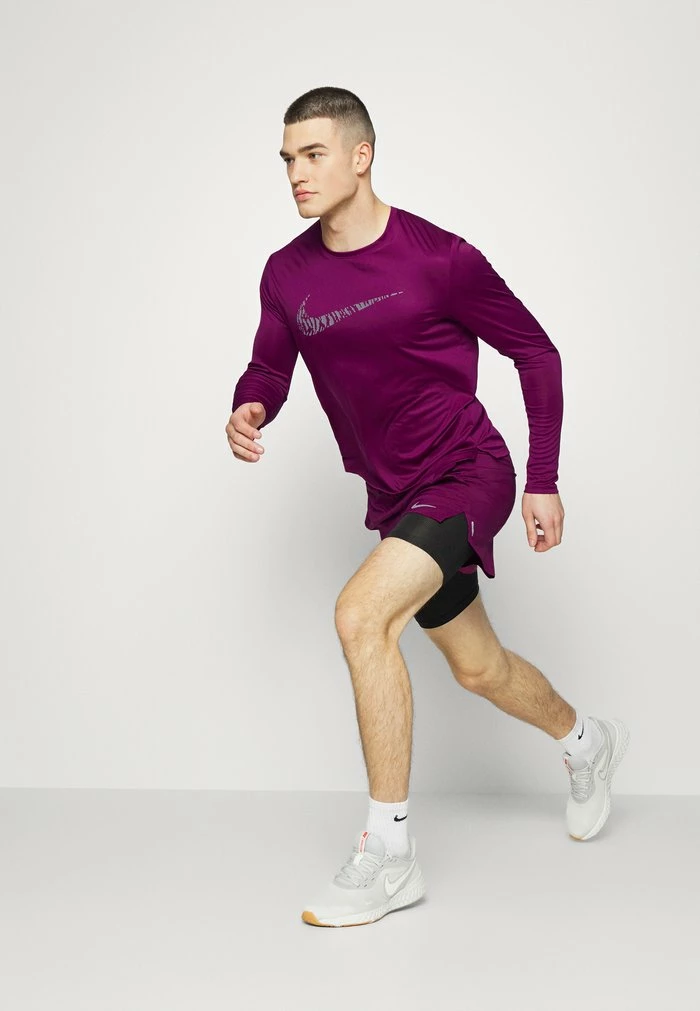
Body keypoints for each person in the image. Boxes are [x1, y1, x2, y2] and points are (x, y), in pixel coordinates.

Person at [225, 86, 630, 928]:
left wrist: (543, 477)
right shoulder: (287, 273)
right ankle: (586, 741)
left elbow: (536, 352)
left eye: (313, 154)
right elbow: (270, 363)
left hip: (467, 470)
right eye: (288, 159)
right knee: (479, 668)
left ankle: (389, 853)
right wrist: (251, 404)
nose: (296, 173)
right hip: (397, 496)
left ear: (360, 155)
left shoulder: (440, 259)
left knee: (360, 615)